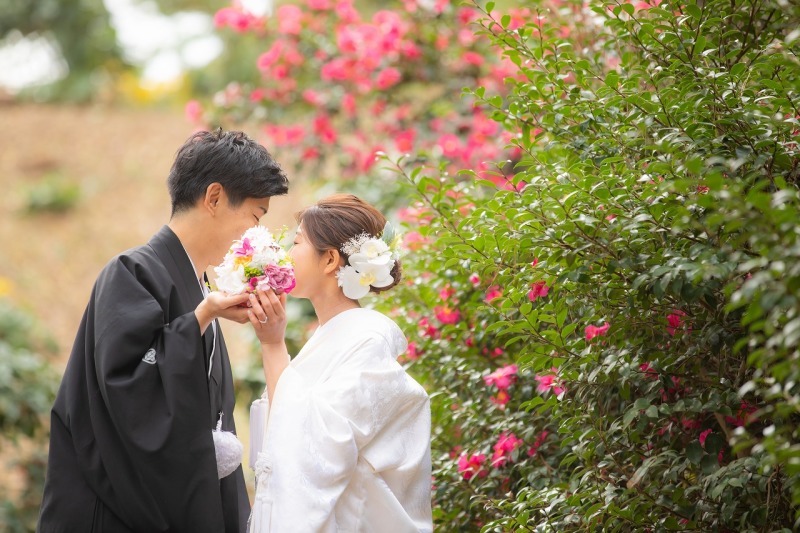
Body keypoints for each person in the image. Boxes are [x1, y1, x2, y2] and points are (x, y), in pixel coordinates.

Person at [37, 129, 290, 533]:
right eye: (256, 216)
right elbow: (128, 386)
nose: (254, 233)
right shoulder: (132, 272)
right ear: (214, 198)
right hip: (112, 514)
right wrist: (199, 318)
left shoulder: (198, 286)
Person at [245, 194, 433, 533]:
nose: (286, 254)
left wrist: (273, 345)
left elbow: (317, 448)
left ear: (330, 259)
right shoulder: (332, 336)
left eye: (296, 243)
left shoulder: (367, 341)